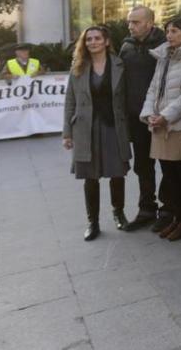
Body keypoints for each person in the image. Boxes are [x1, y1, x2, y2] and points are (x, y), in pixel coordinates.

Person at [62, 26, 131, 241]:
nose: (93, 42)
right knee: (90, 177)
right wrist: (67, 133)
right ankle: (93, 222)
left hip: (113, 126)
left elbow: (127, 98)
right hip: (85, 128)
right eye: (89, 39)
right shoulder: (78, 67)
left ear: (106, 41)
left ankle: (119, 213)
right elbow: (70, 101)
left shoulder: (119, 64)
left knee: (117, 174)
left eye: (97, 38)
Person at [140, 17, 181, 241]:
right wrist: (149, 115)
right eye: (167, 31)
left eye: (175, 31)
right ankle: (176, 217)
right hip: (159, 125)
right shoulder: (163, 56)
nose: (169, 35)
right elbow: (153, 88)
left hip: (179, 126)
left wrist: (165, 117)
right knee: (169, 176)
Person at [119, 6, 171, 232]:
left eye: (136, 22)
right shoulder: (126, 47)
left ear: (150, 23)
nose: (130, 26)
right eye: (129, 22)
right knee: (143, 167)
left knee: (168, 166)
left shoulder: (165, 46)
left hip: (161, 118)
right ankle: (147, 209)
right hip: (137, 120)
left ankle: (169, 210)